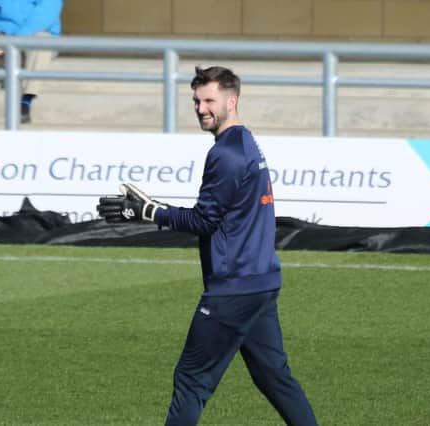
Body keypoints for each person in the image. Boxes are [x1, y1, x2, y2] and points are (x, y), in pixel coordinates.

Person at [97, 66, 318, 425]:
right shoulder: (245, 143)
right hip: (261, 283)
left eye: (209, 100)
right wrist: (151, 208)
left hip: (232, 290)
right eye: (197, 101)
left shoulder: (226, 155)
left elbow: (204, 221)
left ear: (232, 101)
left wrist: (147, 211)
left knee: (191, 381)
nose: (201, 108)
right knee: (275, 379)